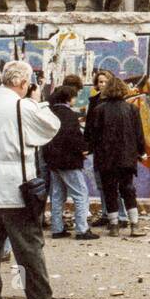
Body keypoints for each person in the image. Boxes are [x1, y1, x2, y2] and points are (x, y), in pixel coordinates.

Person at [0, 61, 71, 299]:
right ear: (22, 83)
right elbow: (50, 127)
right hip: (14, 185)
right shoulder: (22, 105)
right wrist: (38, 101)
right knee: (27, 247)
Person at [86, 73, 146, 237]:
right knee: (128, 189)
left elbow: (92, 135)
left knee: (109, 190)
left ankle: (114, 226)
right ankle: (134, 225)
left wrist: (91, 149)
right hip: (126, 156)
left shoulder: (99, 110)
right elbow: (138, 134)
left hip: (105, 158)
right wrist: (141, 152)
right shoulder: (132, 109)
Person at [44, 87, 97, 240]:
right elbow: (73, 137)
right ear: (69, 98)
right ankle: (82, 229)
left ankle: (57, 228)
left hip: (53, 161)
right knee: (81, 194)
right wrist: (84, 149)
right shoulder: (70, 115)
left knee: (57, 195)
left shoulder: (51, 113)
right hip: (69, 161)